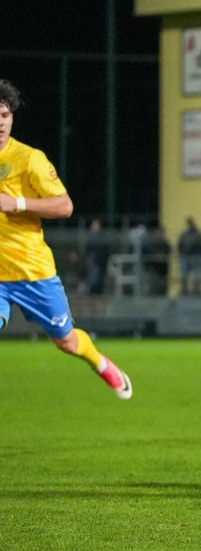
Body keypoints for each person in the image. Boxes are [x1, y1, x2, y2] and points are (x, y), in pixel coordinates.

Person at [0, 79, 132, 399]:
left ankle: (100, 362)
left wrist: (15, 203)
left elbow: (65, 206)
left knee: (67, 341)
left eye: (5, 115)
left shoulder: (29, 159)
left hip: (32, 271)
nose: (0, 122)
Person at [177, 217, 201, 296]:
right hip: (187, 257)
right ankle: (185, 291)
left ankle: (194, 292)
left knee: (195, 276)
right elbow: (180, 246)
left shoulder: (196, 234)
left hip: (194, 257)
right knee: (185, 276)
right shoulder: (185, 234)